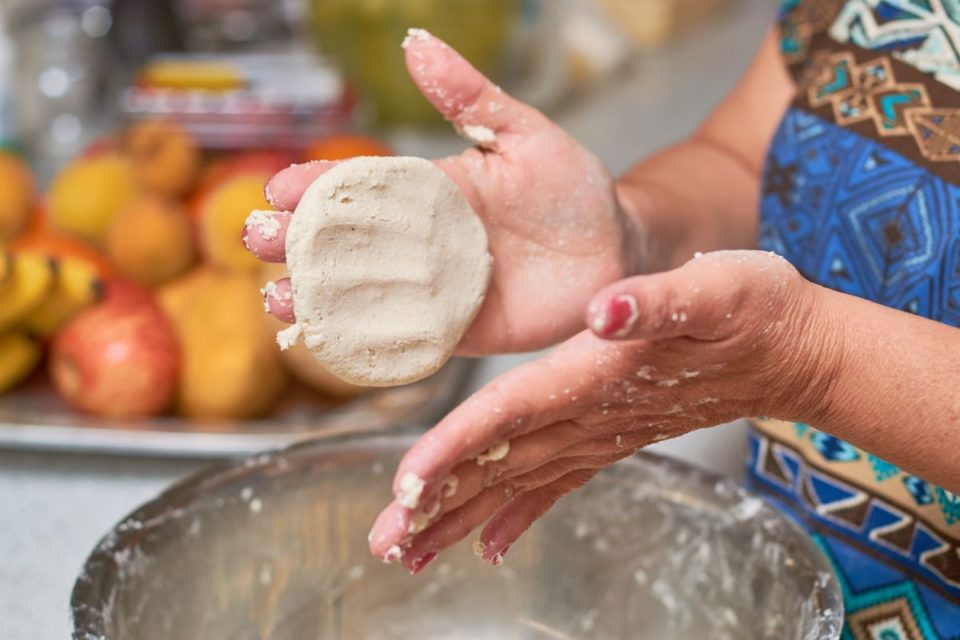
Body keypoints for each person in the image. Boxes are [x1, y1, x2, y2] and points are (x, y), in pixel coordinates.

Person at [244, 6, 960, 636]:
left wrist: (815, 363)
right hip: (811, 571)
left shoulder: (802, 363)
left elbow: (808, 356)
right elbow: (747, 159)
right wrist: (633, 227)